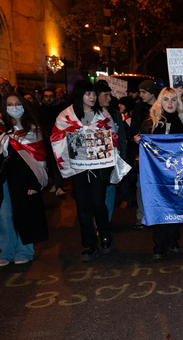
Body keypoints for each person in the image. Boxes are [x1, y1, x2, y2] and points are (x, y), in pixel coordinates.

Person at [51, 80, 115, 261]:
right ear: (79, 95)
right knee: (83, 206)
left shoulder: (103, 114)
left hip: (99, 166)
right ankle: (89, 244)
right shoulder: (65, 116)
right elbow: (56, 138)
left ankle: (105, 236)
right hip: (77, 167)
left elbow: (113, 136)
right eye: (88, 94)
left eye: (94, 94)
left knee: (98, 203)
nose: (93, 97)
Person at [133, 87, 183, 259]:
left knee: (176, 205)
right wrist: (137, 140)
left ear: (179, 102)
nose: (170, 103)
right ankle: (159, 245)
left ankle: (173, 240)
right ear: (160, 102)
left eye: (174, 99)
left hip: (179, 173)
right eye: (166, 99)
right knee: (159, 206)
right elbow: (142, 148)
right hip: (157, 175)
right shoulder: (150, 123)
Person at [0, 93, 48, 266]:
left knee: (24, 213)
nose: (14, 107)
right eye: (9, 104)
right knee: (3, 215)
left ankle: (24, 250)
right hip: (4, 178)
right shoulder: (1, 129)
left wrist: (36, 183)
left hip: (24, 178)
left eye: (17, 103)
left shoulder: (32, 129)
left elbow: (40, 158)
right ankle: (6, 251)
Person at [95, 82, 127, 222]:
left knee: (109, 191)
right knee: (97, 196)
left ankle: (104, 224)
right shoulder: (87, 115)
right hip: (95, 163)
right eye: (106, 95)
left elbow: (122, 139)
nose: (109, 98)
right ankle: (99, 222)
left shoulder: (115, 115)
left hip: (113, 159)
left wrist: (122, 158)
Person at [131, 79, 160, 229]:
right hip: (143, 153)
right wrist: (135, 138)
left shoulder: (162, 108)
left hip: (160, 154)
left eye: (144, 92)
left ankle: (159, 213)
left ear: (151, 92)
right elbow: (134, 129)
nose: (140, 95)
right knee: (141, 185)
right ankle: (141, 214)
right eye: (140, 92)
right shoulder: (138, 109)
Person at [40, 87, 66, 196]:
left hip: (57, 140)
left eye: (51, 96)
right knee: (50, 163)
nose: (48, 98)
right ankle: (55, 183)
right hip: (44, 140)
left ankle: (59, 185)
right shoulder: (39, 109)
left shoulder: (60, 108)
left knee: (58, 163)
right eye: (46, 96)